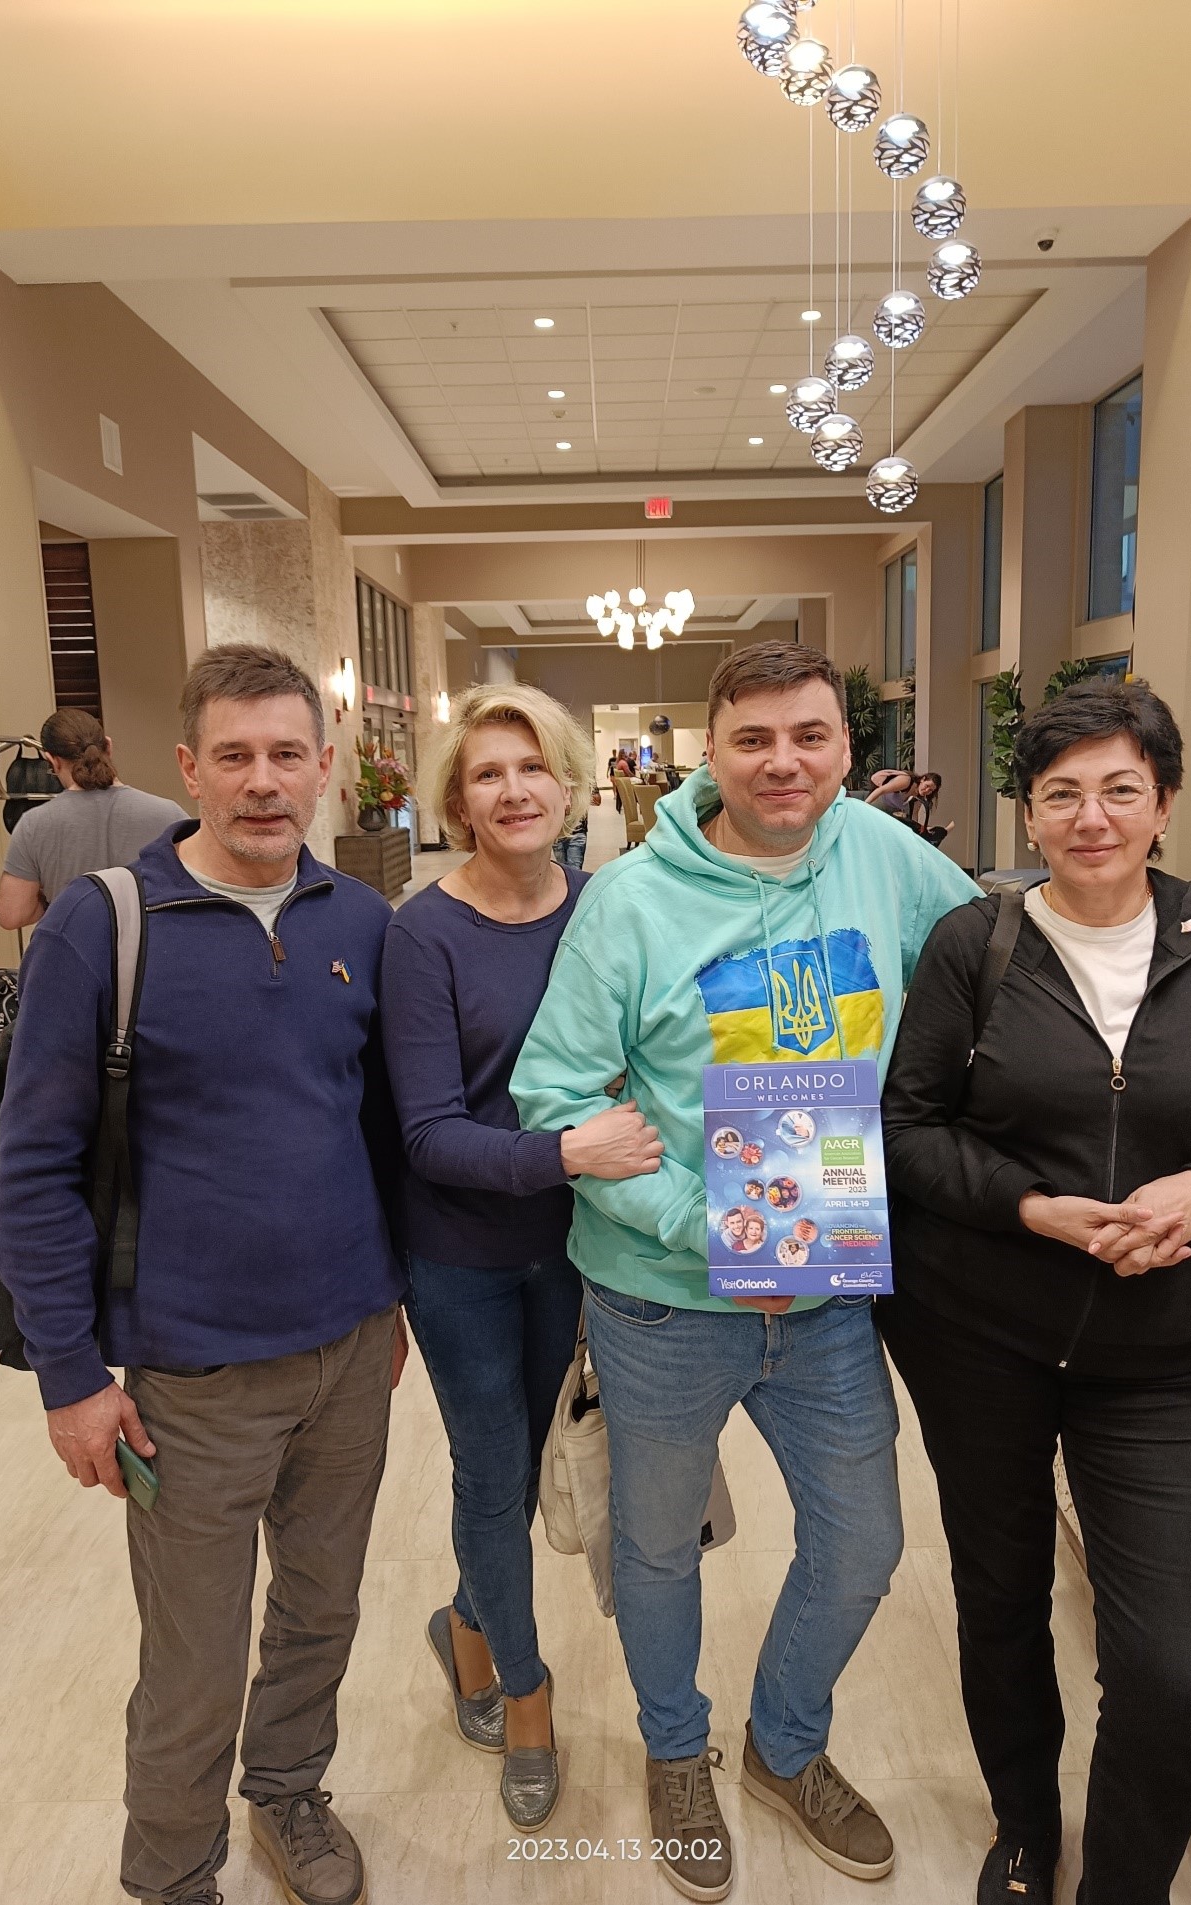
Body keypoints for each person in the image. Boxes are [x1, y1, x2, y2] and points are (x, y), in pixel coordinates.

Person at [511, 640, 979, 1899]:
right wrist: (702, 1228)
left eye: (810, 736)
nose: (784, 762)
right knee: (658, 1549)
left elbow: (994, 966)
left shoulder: (889, 859)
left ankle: (784, 1744)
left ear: (846, 749)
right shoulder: (629, 901)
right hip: (662, 1300)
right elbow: (554, 1096)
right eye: (754, 739)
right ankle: (676, 1751)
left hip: (827, 1303)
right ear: (707, 752)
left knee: (864, 1543)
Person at [876, 680, 1191, 1905]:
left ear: (1164, 805)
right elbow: (906, 1131)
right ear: (1028, 815)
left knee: (1178, 1679)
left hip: (1157, 1354)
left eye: (1120, 790)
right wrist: (1031, 1205)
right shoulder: (976, 944)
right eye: (1061, 793)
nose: (1091, 818)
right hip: (978, 1336)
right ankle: (1025, 1831)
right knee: (1002, 1602)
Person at [0, 644, 407, 1905]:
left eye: (286, 755)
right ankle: (172, 1875)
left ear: (324, 767)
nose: (262, 782)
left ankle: (288, 1791)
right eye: (234, 756)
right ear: (189, 769)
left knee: (322, 1612)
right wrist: (72, 1375)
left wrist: (388, 1299)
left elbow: (380, 1133)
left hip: (349, 1353)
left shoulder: (360, 922)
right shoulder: (103, 924)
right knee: (192, 1662)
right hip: (189, 1374)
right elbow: (32, 1168)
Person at [381, 684, 661, 1830]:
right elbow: (426, 1134)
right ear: (457, 801)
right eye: (487, 773)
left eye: (533, 766)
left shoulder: (610, 906)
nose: (513, 790)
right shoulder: (422, 935)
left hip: (588, 1248)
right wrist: (565, 1152)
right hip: (463, 1256)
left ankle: (463, 1622)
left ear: (571, 784)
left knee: (551, 1465)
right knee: (491, 1475)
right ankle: (526, 1696)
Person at [0, 708, 188, 929]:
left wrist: (52, 897)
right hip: (153, 946)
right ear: (108, 747)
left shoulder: (33, 825)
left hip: (72, 947)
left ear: (52, 761)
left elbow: (13, 914)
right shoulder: (169, 814)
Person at [552, 779, 601, 871]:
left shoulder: (584, 778)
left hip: (577, 830)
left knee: (573, 870)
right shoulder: (553, 778)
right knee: (562, 870)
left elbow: (597, 801)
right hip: (558, 831)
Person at [905, 771, 955, 850]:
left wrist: (919, 828)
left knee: (936, 833)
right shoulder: (909, 786)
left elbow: (914, 814)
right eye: (927, 786)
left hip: (906, 822)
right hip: (896, 816)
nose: (927, 790)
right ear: (923, 779)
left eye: (930, 790)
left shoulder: (919, 799)